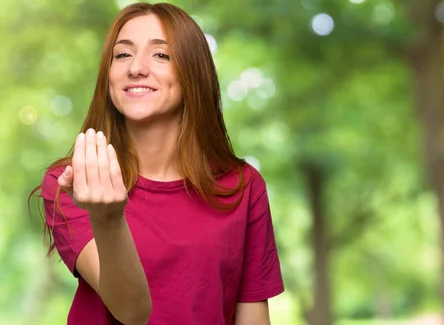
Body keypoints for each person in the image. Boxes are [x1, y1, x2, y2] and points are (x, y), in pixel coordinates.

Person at [36, 2, 284, 324]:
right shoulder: (74, 182)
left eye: (161, 55)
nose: (135, 68)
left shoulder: (242, 186)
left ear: (193, 73)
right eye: (122, 55)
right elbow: (131, 310)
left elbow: (252, 318)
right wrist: (107, 218)